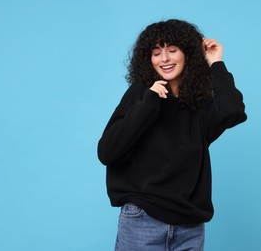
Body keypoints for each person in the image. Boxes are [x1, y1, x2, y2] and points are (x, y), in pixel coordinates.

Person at [97, 19, 247, 251]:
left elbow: (233, 111)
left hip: (190, 223)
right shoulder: (141, 94)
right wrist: (148, 104)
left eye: (172, 50)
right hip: (143, 218)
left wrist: (215, 63)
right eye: (156, 53)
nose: (164, 59)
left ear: (187, 54)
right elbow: (108, 152)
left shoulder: (198, 103)